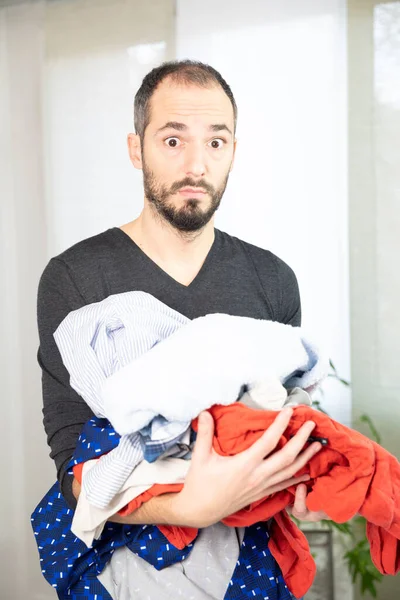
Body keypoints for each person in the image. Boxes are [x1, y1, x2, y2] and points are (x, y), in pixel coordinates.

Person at [37, 60, 327, 598]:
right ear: (135, 148)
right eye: (173, 140)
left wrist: (304, 473)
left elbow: (290, 409)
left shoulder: (273, 279)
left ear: (233, 152)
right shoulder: (75, 278)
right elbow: (73, 471)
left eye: (216, 143)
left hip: (252, 563)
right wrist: (192, 507)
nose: (196, 164)